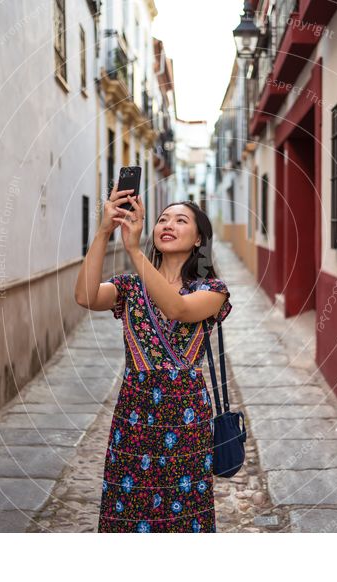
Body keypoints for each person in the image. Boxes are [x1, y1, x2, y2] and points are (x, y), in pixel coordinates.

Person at [74, 182, 233, 533]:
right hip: (134, 413)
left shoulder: (211, 290)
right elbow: (85, 296)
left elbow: (176, 308)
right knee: (128, 509)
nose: (168, 225)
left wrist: (134, 250)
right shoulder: (130, 287)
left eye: (180, 220)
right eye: (163, 219)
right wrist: (104, 231)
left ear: (197, 240)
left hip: (186, 415)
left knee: (182, 514)